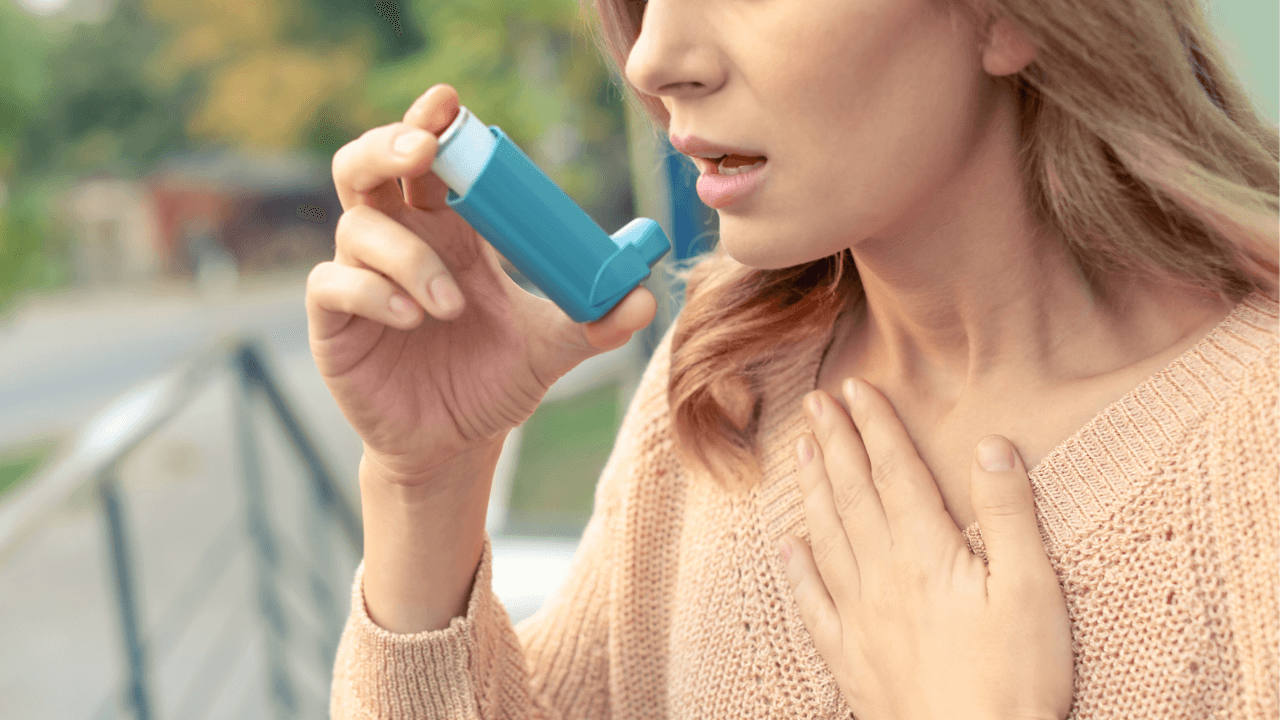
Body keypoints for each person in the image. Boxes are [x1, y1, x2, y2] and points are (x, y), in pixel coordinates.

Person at [308, 0, 1279, 715]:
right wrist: (424, 488)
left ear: (1006, 16)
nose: (652, 57)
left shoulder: (1255, 454)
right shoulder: (725, 380)